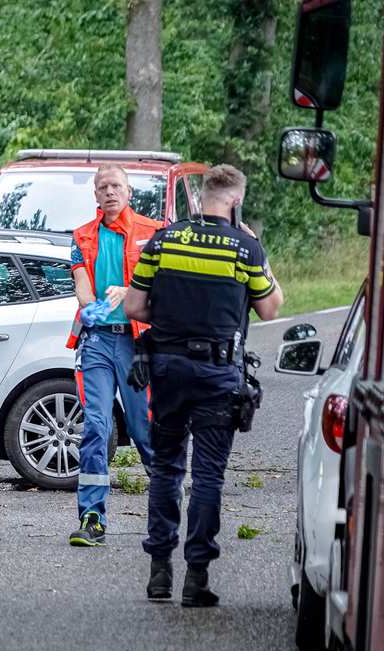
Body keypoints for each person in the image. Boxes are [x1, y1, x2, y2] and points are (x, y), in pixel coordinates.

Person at [124, 163, 283, 607]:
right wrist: (257, 246)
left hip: (169, 369)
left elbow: (135, 306)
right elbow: (271, 309)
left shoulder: (165, 239)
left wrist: (174, 321)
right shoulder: (244, 247)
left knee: (167, 467)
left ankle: (159, 572)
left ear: (200, 197)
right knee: (208, 474)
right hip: (217, 373)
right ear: (235, 201)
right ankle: (196, 577)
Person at [65, 164, 158, 547]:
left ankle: (168, 503)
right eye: (102, 187)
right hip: (99, 342)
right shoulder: (82, 236)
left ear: (129, 191)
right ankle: (92, 517)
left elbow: (164, 288)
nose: (109, 192)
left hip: (137, 345)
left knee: (143, 429)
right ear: (96, 195)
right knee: (96, 428)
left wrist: (129, 292)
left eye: (115, 185)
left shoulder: (153, 234)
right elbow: (83, 289)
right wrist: (91, 307)